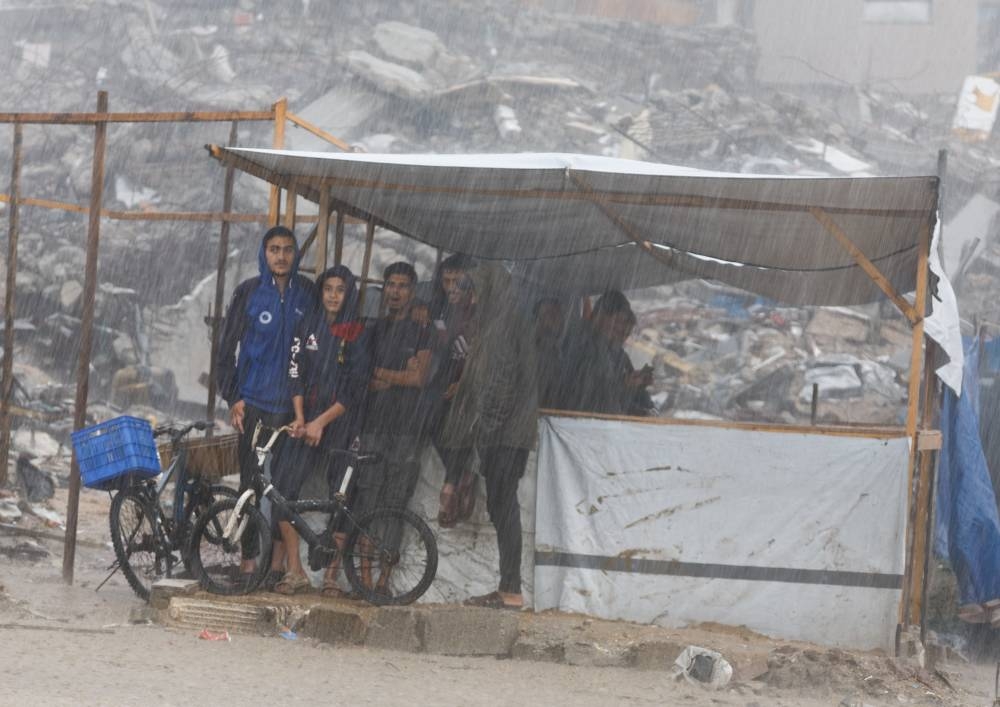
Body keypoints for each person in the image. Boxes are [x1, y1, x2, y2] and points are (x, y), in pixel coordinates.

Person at [216, 225, 315, 583]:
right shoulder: (248, 293)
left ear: (296, 254)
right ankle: (247, 562)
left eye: (288, 249)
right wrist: (233, 397)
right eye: (274, 249)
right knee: (250, 485)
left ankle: (276, 566)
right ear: (264, 252)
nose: (281, 256)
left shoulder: (308, 294)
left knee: (285, 489)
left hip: (291, 409)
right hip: (254, 405)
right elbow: (225, 350)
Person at [440, 263, 538, 610]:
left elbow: (499, 385)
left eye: (477, 291)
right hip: (511, 432)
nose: (473, 298)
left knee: (504, 507)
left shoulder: (500, 327)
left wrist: (486, 431)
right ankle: (507, 586)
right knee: (502, 507)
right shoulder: (504, 322)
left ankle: (510, 589)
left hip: (505, 435)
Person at [271, 265, 370, 596]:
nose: (333, 295)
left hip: (341, 424)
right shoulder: (307, 325)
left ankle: (331, 577)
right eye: (328, 288)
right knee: (283, 490)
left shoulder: (356, 332)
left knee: (342, 497)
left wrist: (321, 423)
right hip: (304, 419)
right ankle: (295, 570)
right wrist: (300, 417)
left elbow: (354, 391)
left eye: (340, 289)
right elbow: (294, 372)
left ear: (349, 294)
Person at [353, 262, 433, 523]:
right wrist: (401, 376)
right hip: (373, 425)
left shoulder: (423, 329)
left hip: (406, 428)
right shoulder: (374, 329)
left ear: (413, 292)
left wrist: (383, 374)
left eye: (403, 286)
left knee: (396, 502)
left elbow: (419, 378)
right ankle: (364, 563)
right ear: (384, 288)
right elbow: (363, 376)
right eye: (391, 284)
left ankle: (387, 564)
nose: (396, 291)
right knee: (368, 496)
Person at [423, 254, 478, 528]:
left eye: (458, 281)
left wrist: (466, 382)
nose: (452, 287)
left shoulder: (482, 314)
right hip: (443, 383)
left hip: (473, 388)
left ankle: (450, 485)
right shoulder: (439, 311)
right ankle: (460, 477)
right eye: (446, 281)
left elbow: (488, 359)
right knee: (429, 419)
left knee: (460, 424)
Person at [557, 290, 652, 416]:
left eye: (626, 333)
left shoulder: (619, 355)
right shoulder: (578, 342)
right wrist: (624, 385)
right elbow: (581, 395)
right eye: (618, 322)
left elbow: (617, 399)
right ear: (600, 315)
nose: (620, 331)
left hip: (609, 426)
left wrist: (638, 388)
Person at [532, 297, 564, 409]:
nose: (556, 319)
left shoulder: (559, 352)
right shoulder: (531, 353)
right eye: (550, 314)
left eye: (558, 316)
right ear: (537, 320)